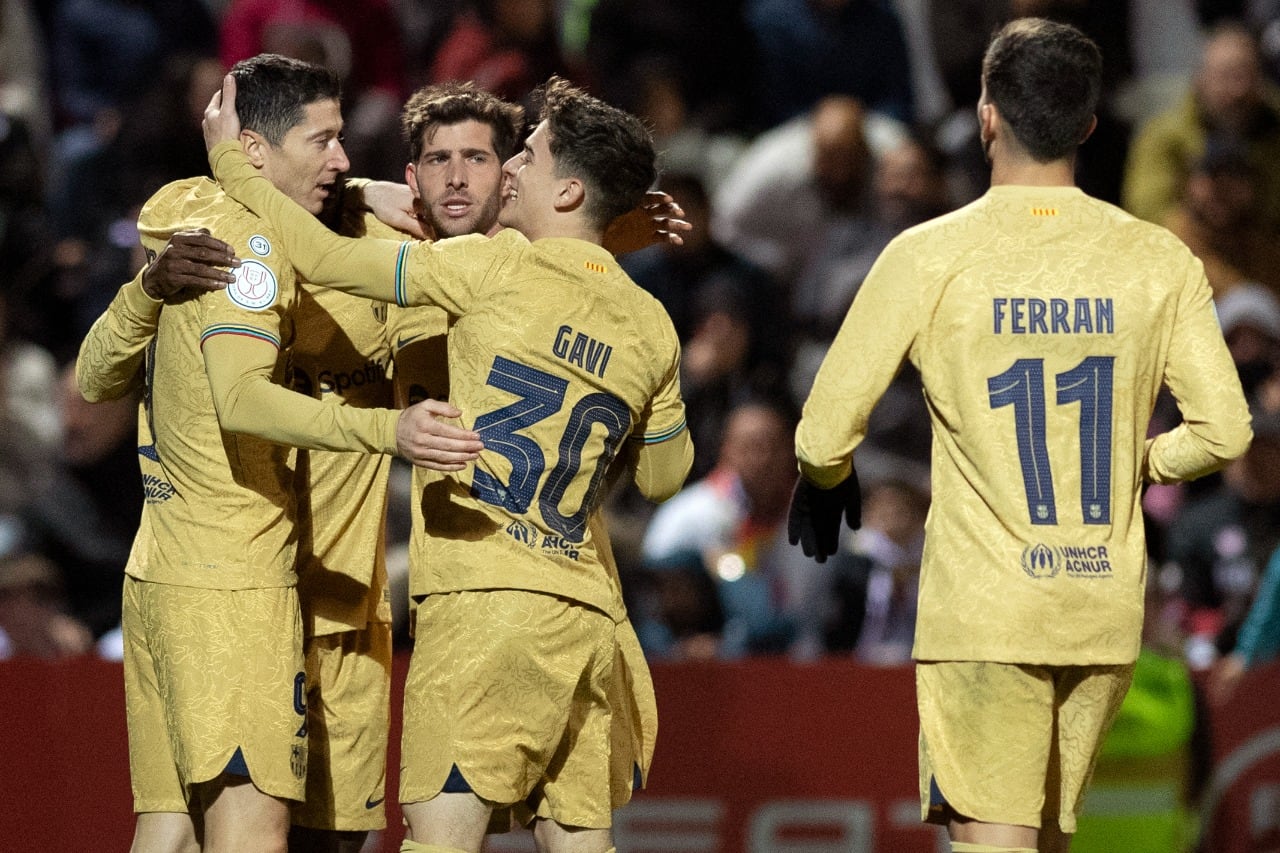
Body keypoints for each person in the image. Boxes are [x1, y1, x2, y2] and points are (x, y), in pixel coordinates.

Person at [789, 18, 1252, 853]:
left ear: (987, 115)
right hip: (1101, 609)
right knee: (1045, 838)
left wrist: (825, 485)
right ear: (1086, 126)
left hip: (986, 609)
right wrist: (1140, 461)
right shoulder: (1158, 258)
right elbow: (1225, 430)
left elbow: (824, 435)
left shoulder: (927, 255)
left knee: (992, 841)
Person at [204, 73, 693, 853]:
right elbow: (664, 478)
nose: (500, 175)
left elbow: (325, 258)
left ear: (562, 188)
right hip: (588, 611)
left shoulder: (487, 268)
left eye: (517, 157)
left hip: (481, 600)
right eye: (442, 160)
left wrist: (234, 164)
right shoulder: (655, 322)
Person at [76, 54, 484, 853]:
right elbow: (225, 385)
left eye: (346, 144)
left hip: (323, 601)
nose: (342, 161)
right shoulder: (227, 240)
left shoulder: (343, 233)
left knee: (197, 829)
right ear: (254, 149)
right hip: (241, 582)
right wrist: (385, 431)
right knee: (244, 828)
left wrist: (368, 199)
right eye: (323, 140)